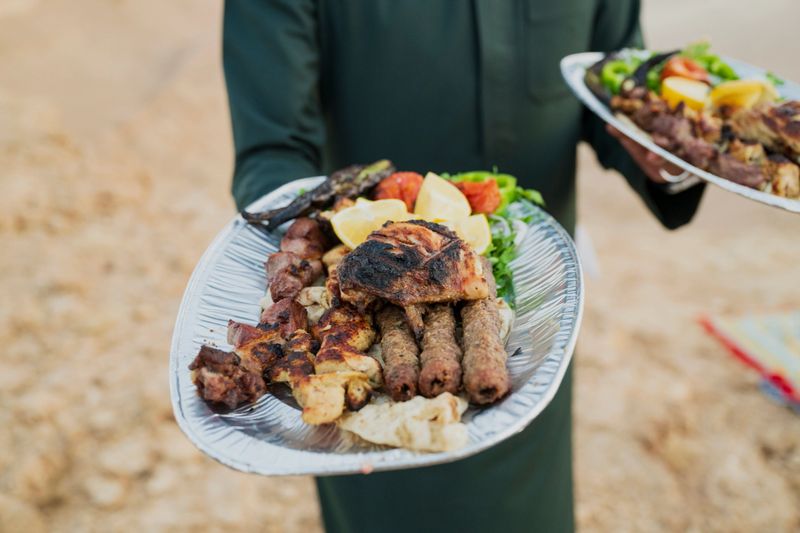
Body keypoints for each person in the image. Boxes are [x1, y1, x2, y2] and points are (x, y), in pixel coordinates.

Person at [223, 2, 704, 531]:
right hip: (367, 335)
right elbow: (273, 146)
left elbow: (611, 87)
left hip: (528, 327)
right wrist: (307, 244)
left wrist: (672, 155)